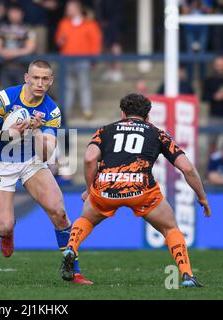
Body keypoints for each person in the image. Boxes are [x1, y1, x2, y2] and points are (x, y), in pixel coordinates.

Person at [60, 93, 211, 287]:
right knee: (170, 228)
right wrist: (202, 196)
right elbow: (187, 168)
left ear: (123, 114)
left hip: (107, 187)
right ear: (148, 116)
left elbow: (89, 159)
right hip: (141, 190)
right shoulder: (157, 133)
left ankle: (71, 247)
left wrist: (91, 190)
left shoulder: (105, 130)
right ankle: (187, 275)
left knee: (86, 219)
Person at [0, 60, 93, 285]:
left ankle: (73, 270)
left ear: (51, 81)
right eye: (35, 78)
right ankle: (8, 233)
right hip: (0, 161)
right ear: (26, 77)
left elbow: (46, 154)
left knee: (59, 212)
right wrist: (7, 134)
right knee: (2, 226)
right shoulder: (5, 98)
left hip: (31, 161)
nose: (39, 83)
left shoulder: (51, 110)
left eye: (44, 79)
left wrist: (36, 130)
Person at [55, 0, 102, 120]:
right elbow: (58, 41)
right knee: (68, 87)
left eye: (70, 7)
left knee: (84, 85)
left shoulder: (90, 24)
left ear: (77, 8)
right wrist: (61, 40)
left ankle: (87, 109)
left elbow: (95, 43)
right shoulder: (64, 23)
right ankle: (65, 112)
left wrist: (94, 59)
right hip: (66, 60)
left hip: (83, 60)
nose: (67, 9)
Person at [0, 4, 37, 87]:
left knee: (22, 94)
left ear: (22, 14)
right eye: (12, 12)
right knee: (6, 95)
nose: (14, 15)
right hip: (5, 67)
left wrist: (13, 53)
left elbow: (30, 48)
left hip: (22, 68)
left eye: (17, 12)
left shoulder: (28, 28)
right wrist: (3, 52)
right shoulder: (2, 28)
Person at [202, 56, 223, 152]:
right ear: (214, 66)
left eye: (222, 65)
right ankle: (211, 166)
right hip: (214, 116)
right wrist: (214, 97)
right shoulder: (209, 80)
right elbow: (204, 97)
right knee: (212, 143)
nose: (220, 67)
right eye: (218, 65)